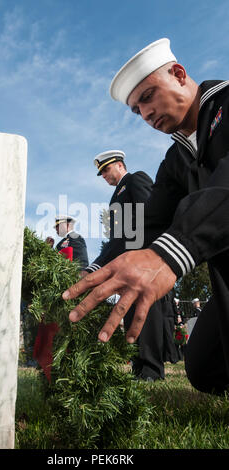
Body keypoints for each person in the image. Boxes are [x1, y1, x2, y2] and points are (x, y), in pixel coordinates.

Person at [63, 38, 229, 395]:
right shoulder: (175, 162)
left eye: (148, 96)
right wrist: (96, 270)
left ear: (179, 74)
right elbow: (142, 229)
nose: (146, 114)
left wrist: (169, 253)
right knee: (204, 370)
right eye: (137, 110)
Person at [82, 150, 165, 381]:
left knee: (145, 314)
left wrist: (152, 255)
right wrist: (93, 268)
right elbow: (115, 242)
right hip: (126, 267)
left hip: (145, 261)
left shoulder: (135, 180)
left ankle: (151, 371)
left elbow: (152, 216)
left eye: (106, 170)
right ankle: (139, 368)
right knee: (130, 316)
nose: (105, 176)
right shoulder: (115, 197)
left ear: (119, 165)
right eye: (101, 174)